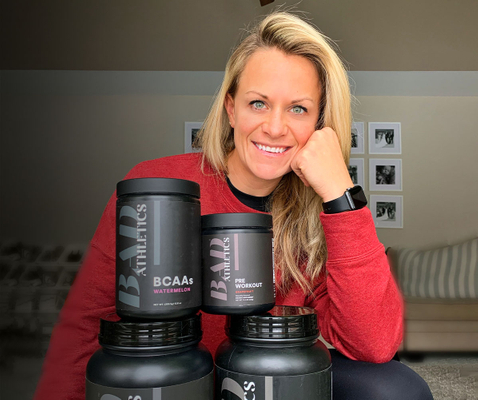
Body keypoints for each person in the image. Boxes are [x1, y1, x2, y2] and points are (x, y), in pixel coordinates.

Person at [34, 11, 433, 400]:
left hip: (262, 381)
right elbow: (85, 325)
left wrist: (340, 195)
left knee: (396, 389)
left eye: (298, 108)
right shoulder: (157, 187)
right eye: (258, 103)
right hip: (164, 382)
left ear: (318, 126)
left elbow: (375, 344)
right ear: (230, 108)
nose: (275, 127)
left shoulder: (316, 215)